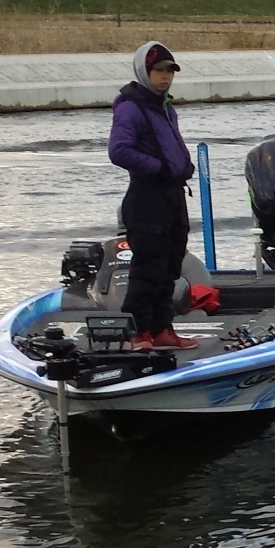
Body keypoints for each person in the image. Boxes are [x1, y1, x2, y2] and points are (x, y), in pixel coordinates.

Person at [107, 41, 198, 351]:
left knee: (170, 266)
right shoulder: (130, 106)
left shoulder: (165, 107)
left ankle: (161, 329)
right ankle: (137, 332)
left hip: (172, 196)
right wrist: (159, 168)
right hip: (147, 197)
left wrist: (183, 166)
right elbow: (119, 151)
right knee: (148, 267)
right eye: (159, 71)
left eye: (170, 71)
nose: (166, 77)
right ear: (144, 72)